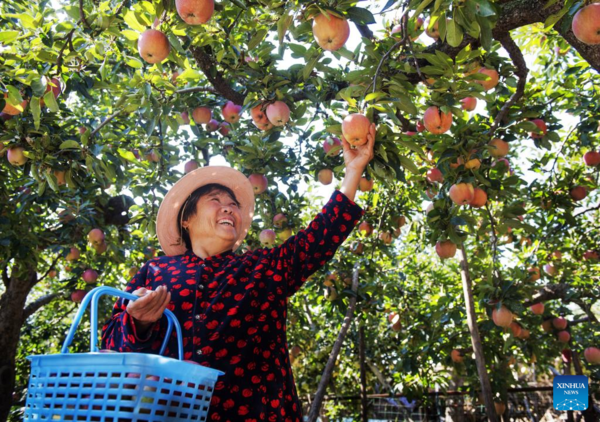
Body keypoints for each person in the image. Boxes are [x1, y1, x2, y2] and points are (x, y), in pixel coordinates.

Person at [101, 125, 376, 422]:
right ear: (186, 219)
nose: (229, 208)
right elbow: (112, 347)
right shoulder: (155, 271)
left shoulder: (261, 268)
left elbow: (317, 240)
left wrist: (353, 172)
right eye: (216, 201)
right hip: (169, 413)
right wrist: (137, 322)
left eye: (234, 205)